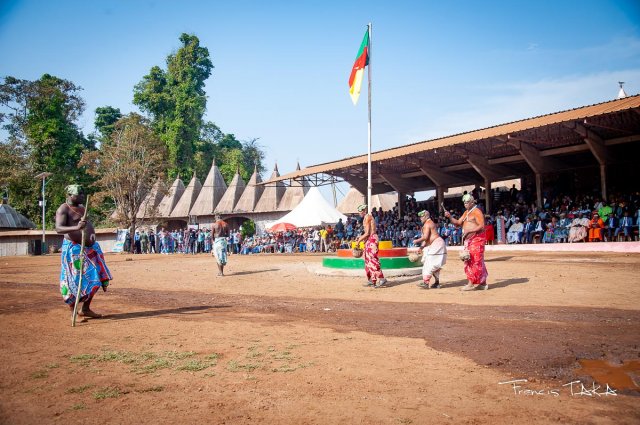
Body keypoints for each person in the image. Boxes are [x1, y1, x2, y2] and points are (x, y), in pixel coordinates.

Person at [55, 184, 112, 319]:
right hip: (74, 250)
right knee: (74, 281)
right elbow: (58, 228)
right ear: (69, 195)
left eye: (82, 193)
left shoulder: (82, 208)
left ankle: (85, 309)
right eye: (78, 194)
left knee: (95, 278)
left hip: (90, 249)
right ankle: (73, 312)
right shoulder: (63, 209)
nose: (82, 196)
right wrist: (77, 227)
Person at [444, 194, 488, 291]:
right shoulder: (466, 212)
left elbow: (481, 226)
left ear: (472, 202)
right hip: (469, 241)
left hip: (477, 239)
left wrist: (470, 231)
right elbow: (458, 223)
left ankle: (471, 284)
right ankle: (483, 284)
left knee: (474, 261)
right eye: (464, 203)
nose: (465, 204)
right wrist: (450, 217)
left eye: (467, 202)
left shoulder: (477, 212)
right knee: (473, 260)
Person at [413, 210, 447, 289]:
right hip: (437, 244)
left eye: (422, 216)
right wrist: (421, 247)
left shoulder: (428, 223)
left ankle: (425, 282)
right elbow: (427, 240)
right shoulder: (428, 223)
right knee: (434, 265)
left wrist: (416, 241)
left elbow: (425, 237)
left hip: (437, 244)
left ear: (426, 216)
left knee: (428, 264)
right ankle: (436, 282)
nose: (420, 218)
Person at [356, 204, 387, 288]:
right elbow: (366, 233)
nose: (359, 213)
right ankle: (371, 280)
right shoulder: (366, 218)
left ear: (364, 211)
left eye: (360, 211)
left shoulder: (368, 217)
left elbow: (368, 233)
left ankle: (381, 279)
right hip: (369, 239)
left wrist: (359, 240)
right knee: (367, 260)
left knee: (372, 260)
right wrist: (361, 238)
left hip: (372, 239)